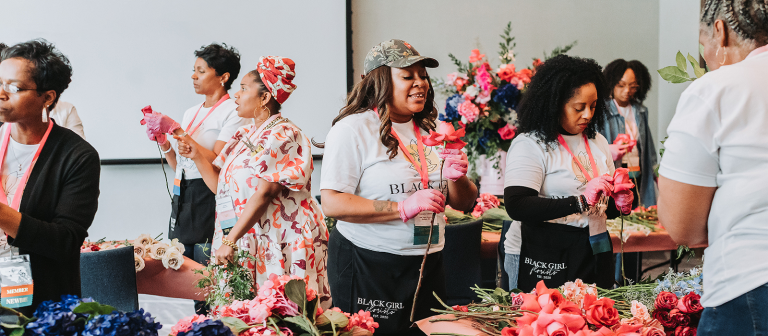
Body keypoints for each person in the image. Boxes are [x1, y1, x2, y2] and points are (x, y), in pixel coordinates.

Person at [320, 39, 477, 335]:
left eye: (423, 76)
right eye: (408, 76)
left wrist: (458, 179)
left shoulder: (433, 129)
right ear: (381, 81)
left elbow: (464, 203)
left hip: (428, 262)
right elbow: (332, 204)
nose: (420, 83)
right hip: (369, 262)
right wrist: (402, 207)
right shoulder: (352, 129)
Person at [175, 56, 330, 307]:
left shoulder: (284, 133)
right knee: (242, 316)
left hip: (277, 237)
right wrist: (195, 155)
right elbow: (220, 188)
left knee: (280, 315)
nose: (236, 95)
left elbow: (265, 192)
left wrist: (230, 240)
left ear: (265, 98)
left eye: (244, 89)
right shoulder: (243, 134)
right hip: (245, 237)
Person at [658, 0, 768, 333]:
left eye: (702, 42)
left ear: (719, 32)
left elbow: (684, 227)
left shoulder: (718, 89)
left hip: (752, 280)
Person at [502, 55, 632, 292]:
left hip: (594, 247)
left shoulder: (597, 141)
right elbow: (517, 205)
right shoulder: (531, 143)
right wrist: (581, 202)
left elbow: (605, 207)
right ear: (554, 104)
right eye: (578, 107)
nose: (588, 115)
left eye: (593, 106)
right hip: (543, 249)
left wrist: (620, 201)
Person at [140, 43, 245, 315]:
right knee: (184, 267)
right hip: (183, 192)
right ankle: (199, 323)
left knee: (207, 269)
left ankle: (212, 320)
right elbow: (181, 165)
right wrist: (164, 141)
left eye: (201, 71)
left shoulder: (232, 111)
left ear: (223, 77)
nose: (193, 76)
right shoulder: (192, 111)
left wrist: (178, 131)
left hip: (209, 193)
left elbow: (218, 159)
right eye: (193, 70)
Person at [0, 40, 100, 315]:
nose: (1, 93)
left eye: (13, 87)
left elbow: (65, 240)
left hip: (41, 302)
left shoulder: (77, 156)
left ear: (47, 97)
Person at [599, 59, 656, 208]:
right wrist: (609, 150)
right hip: (615, 180)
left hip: (638, 176)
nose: (627, 91)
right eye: (621, 85)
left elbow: (648, 148)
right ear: (611, 84)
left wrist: (657, 174)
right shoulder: (602, 111)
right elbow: (592, 146)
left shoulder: (641, 111)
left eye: (633, 86)